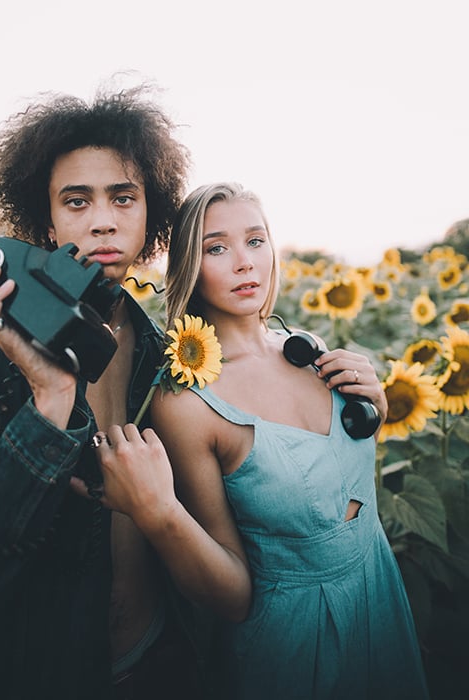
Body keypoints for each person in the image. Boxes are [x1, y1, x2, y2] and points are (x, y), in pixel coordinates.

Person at [91, 182, 430, 699]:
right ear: (190, 266)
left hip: (379, 597)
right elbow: (231, 597)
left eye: (255, 240)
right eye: (216, 248)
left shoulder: (307, 349)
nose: (244, 262)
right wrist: (158, 511)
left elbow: (341, 490)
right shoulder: (187, 402)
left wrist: (375, 411)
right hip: (295, 643)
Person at [0, 82, 204, 700]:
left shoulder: (172, 352)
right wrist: (49, 398)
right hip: (39, 671)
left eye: (123, 198)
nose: (102, 219)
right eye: (76, 202)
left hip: (160, 661)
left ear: (150, 214)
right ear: (45, 224)